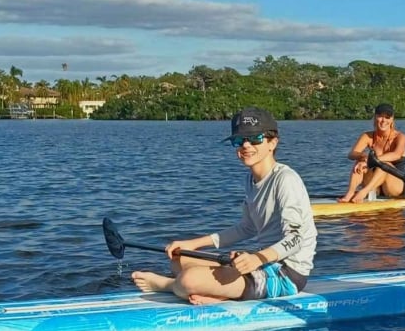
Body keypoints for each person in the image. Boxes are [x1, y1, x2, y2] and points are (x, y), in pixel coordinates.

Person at [131, 107, 316, 303]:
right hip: (262, 263)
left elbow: (296, 239)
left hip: (286, 274)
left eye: (255, 139)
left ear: (272, 142)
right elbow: (247, 228)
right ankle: (219, 294)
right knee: (179, 262)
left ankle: (167, 286)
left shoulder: (285, 180)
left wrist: (256, 259)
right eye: (239, 140)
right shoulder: (250, 180)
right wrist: (192, 244)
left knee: (188, 279)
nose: (246, 145)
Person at [337, 103, 405, 203]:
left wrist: (371, 160)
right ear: (375, 117)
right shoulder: (368, 136)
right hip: (377, 187)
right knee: (359, 163)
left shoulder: (400, 137)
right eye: (380, 116)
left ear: (392, 120)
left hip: (395, 186)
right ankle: (350, 193)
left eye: (387, 117)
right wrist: (363, 156)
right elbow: (351, 154)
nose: (383, 121)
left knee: (384, 165)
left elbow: (396, 154)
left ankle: (363, 192)